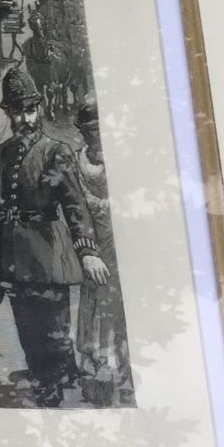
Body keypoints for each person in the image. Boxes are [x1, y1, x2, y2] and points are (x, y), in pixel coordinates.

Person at [0, 68, 109, 407]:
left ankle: (54, 381)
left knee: (54, 325)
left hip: (49, 251)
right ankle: (47, 381)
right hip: (13, 253)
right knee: (26, 324)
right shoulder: (1, 154)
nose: (24, 118)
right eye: (17, 111)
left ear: (38, 109)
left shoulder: (57, 151)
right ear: (8, 113)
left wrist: (87, 251)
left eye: (29, 110)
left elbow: (75, 205)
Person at [72, 99, 133, 405]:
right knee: (94, 298)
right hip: (93, 243)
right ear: (81, 131)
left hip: (120, 240)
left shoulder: (122, 159)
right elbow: (75, 205)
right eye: (89, 130)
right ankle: (94, 364)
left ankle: (122, 369)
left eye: (99, 130)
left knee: (121, 301)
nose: (94, 136)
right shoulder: (78, 159)